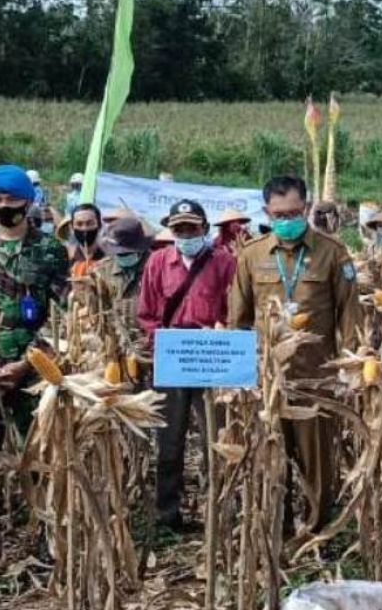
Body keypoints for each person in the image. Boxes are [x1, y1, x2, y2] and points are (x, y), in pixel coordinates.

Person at [229, 175, 361, 532]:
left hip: (315, 376)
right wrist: (239, 375)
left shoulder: (333, 253)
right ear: (266, 212)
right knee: (271, 454)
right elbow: (238, 318)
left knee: (315, 457)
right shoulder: (252, 255)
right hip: (267, 379)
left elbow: (350, 314)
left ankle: (318, 528)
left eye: (294, 212)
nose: (287, 220)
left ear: (306, 207)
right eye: (279, 214)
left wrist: (349, 367)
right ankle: (278, 525)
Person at [137, 200, 236, 533]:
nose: (185, 233)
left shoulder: (225, 263)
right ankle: (168, 514)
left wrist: (222, 336)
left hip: (213, 360)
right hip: (173, 359)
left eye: (191, 227)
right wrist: (161, 343)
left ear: (204, 229)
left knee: (218, 441)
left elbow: (234, 311)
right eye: (178, 228)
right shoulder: (157, 262)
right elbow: (147, 315)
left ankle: (221, 513)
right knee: (169, 441)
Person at [0, 165, 70, 439]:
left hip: (33, 372)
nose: (4, 207)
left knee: (32, 451)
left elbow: (61, 313)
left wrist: (28, 362)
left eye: (11, 200)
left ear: (28, 202)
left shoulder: (50, 250)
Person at [67, 203, 105, 278]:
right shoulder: (67, 258)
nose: (84, 228)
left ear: (99, 225)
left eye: (90, 223)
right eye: (79, 224)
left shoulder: (109, 258)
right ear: (71, 228)